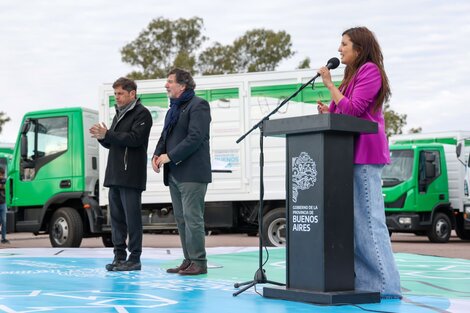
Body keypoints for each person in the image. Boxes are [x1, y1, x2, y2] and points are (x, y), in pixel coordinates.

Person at [317, 26, 401, 298]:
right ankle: (366, 284)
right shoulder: (351, 75)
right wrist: (326, 110)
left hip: (365, 154)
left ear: (359, 48)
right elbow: (342, 109)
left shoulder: (370, 71)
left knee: (369, 221)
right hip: (347, 154)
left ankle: (386, 287)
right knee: (357, 224)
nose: (339, 49)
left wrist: (329, 85)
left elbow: (354, 110)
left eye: (344, 44)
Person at [152, 68, 211, 275]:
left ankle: (199, 262)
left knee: (192, 218)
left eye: (170, 81)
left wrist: (170, 156)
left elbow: (195, 137)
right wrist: (157, 154)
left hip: (192, 173)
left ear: (182, 85)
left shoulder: (199, 105)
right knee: (181, 218)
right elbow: (165, 135)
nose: (166, 85)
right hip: (175, 173)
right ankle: (188, 260)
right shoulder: (173, 110)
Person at [90, 77, 152, 271]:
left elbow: (134, 139)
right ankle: (119, 256)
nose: (116, 97)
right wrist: (102, 137)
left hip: (131, 176)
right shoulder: (119, 114)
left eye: (120, 94)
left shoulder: (142, 114)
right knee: (116, 220)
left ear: (132, 94)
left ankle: (134, 259)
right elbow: (113, 143)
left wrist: (108, 134)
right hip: (115, 175)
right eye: (115, 93)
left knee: (132, 220)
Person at [0, 167, 9, 244]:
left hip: (3, 203)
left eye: (2, 174)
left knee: (4, 221)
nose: (2, 176)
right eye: (0, 174)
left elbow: (6, 187)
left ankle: (3, 238)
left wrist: (2, 186)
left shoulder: (5, 181)